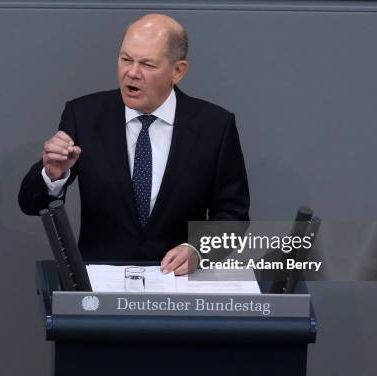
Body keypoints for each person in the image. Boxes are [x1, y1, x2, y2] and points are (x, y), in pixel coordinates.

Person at [18, 14, 249, 275]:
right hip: (100, 287)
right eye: (126, 59)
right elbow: (30, 203)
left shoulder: (215, 126)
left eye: (147, 64)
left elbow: (233, 218)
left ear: (178, 71)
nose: (132, 73)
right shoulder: (84, 116)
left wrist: (198, 250)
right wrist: (52, 174)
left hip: (178, 287)